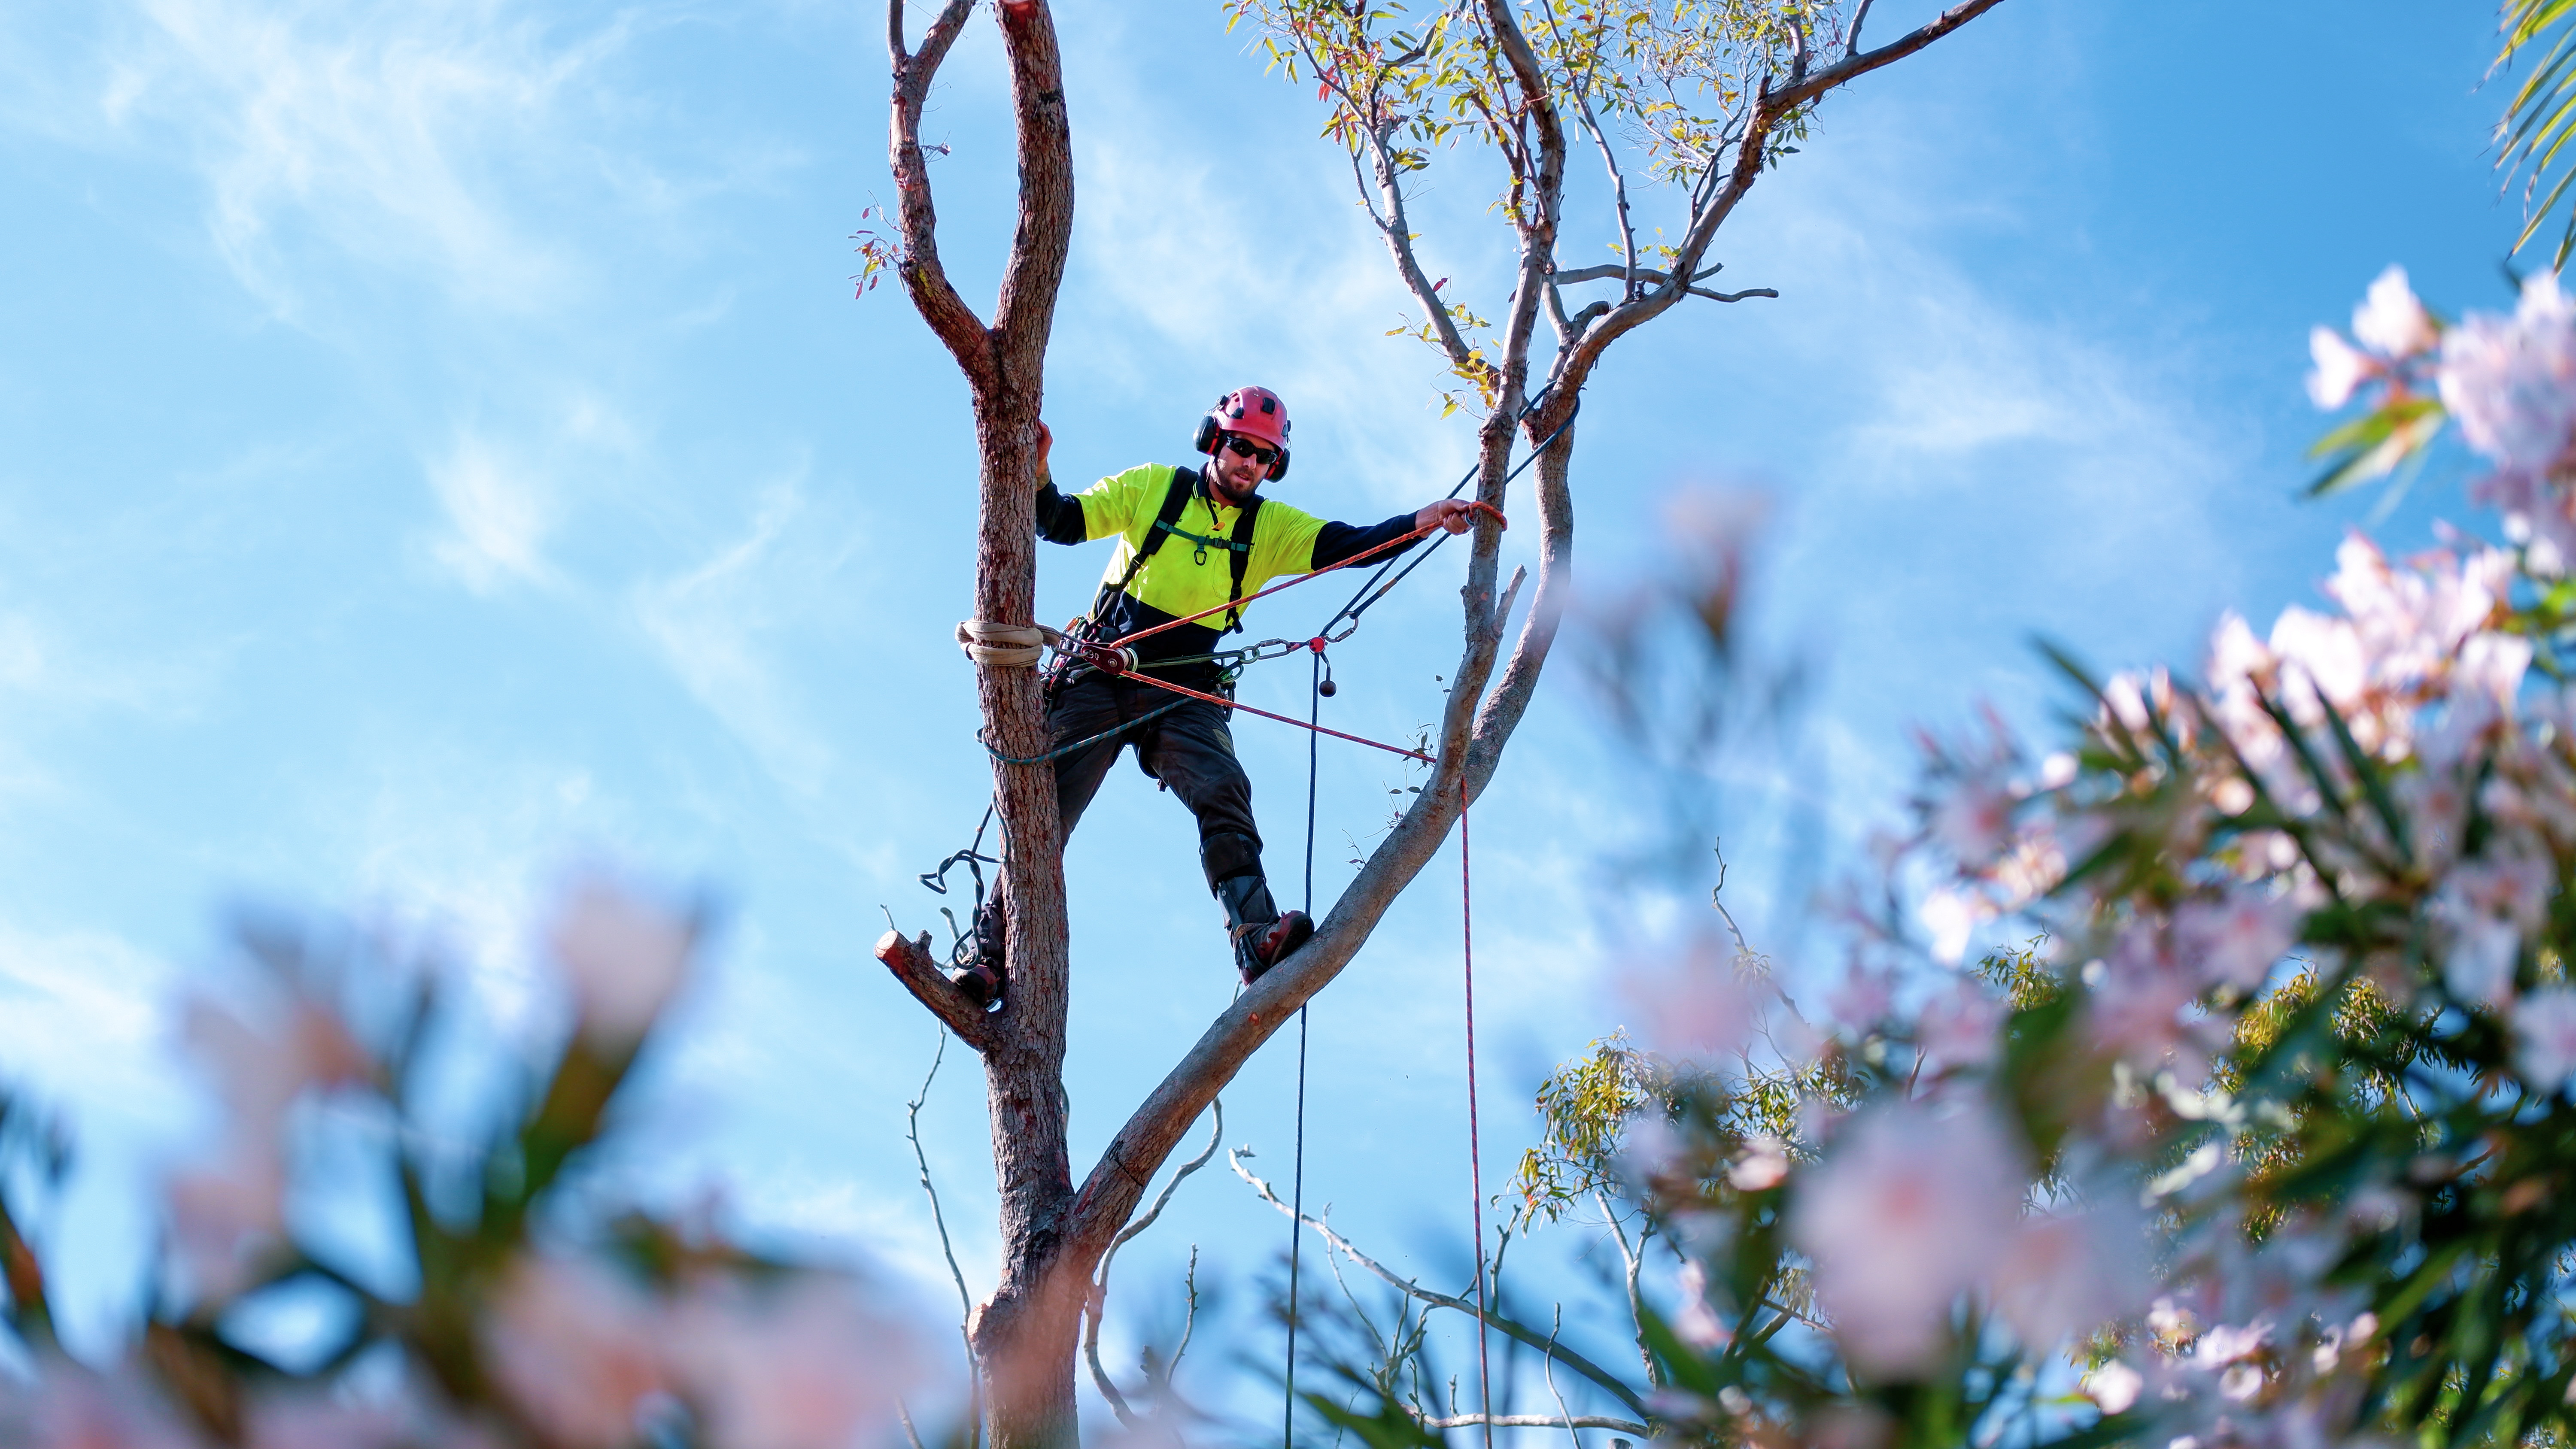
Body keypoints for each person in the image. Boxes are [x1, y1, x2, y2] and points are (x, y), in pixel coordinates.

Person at [953, 385, 1486, 1006]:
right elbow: (1061, 521)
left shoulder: (1270, 528)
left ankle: (1255, 938)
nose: (1249, 464)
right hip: (1101, 669)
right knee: (1044, 806)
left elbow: (1353, 545)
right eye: (1240, 447)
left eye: (1264, 456)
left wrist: (1426, 520)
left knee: (1223, 788)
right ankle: (991, 958)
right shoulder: (1155, 487)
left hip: (1185, 686)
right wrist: (1039, 470)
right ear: (1213, 441)